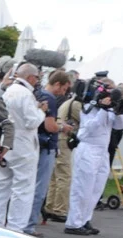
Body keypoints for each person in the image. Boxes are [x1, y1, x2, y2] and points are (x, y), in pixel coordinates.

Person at [65, 81, 123, 235]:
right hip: (88, 150)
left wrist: (118, 109)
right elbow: (89, 128)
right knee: (82, 188)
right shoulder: (88, 108)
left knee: (96, 189)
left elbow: (119, 126)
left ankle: (85, 220)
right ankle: (73, 223)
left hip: (102, 152)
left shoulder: (109, 110)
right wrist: (103, 110)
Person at [0, 62, 44, 232]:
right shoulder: (25, 94)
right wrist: (41, 111)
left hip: (6, 141)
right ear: (30, 77)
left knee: (2, 186)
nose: (37, 81)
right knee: (23, 188)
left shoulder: (8, 91)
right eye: (37, 77)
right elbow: (31, 121)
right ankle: (16, 228)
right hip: (23, 145)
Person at [29, 69, 71, 232]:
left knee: (30, 185)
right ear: (58, 84)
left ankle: (25, 222)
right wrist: (62, 127)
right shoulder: (50, 99)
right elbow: (50, 126)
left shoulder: (38, 94)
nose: (64, 92)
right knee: (39, 188)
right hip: (46, 146)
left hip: (35, 143)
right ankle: (29, 225)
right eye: (64, 88)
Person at [43, 84, 82, 223]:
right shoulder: (77, 105)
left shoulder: (68, 102)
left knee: (55, 177)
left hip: (60, 140)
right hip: (64, 140)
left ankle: (50, 206)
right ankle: (59, 209)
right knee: (64, 176)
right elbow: (84, 121)